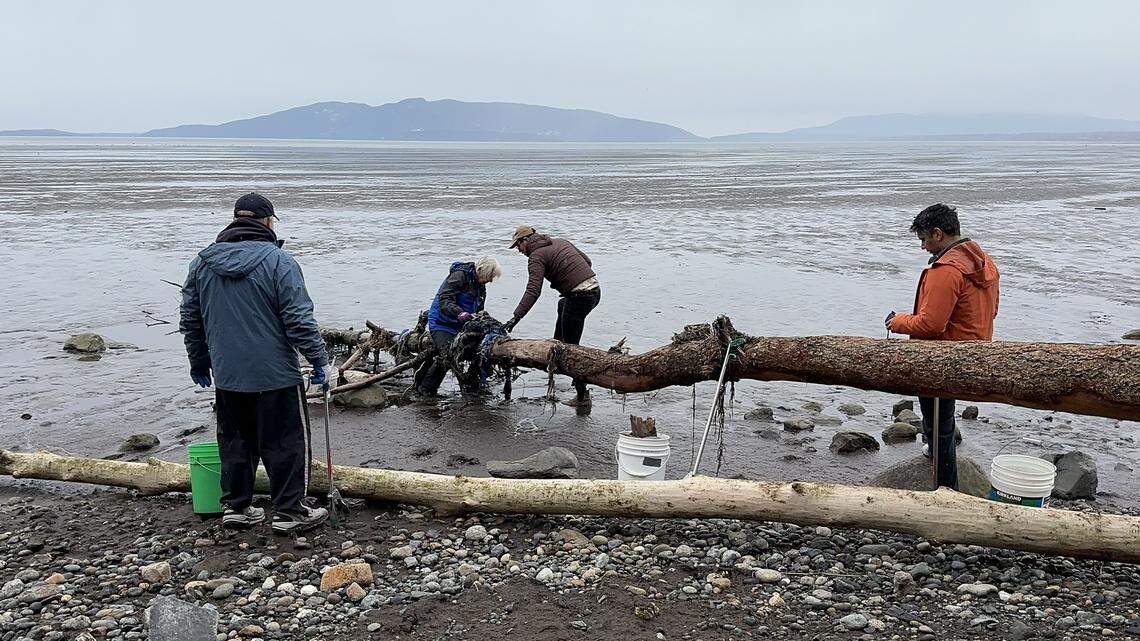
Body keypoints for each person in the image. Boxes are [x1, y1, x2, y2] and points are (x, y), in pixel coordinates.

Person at [179, 193, 332, 533]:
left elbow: (191, 318)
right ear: (267, 221)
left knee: (235, 441)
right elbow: (298, 319)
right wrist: (320, 361)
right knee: (285, 443)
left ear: (235, 219)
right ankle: (290, 511)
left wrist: (199, 360)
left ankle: (236, 506)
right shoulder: (280, 262)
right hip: (276, 374)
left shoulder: (202, 262)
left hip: (229, 376)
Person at [886, 203, 1000, 490]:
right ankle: (938, 457)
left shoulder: (946, 270)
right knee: (943, 418)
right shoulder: (984, 262)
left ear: (938, 234)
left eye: (924, 239)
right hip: (975, 350)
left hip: (943, 357)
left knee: (938, 421)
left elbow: (930, 325)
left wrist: (897, 322)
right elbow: (993, 311)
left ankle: (946, 489)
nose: (923, 247)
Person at [504, 225, 601, 407]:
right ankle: (557, 344)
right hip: (595, 291)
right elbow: (587, 262)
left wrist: (515, 318)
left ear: (526, 241)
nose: (518, 250)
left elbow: (533, 291)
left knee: (572, 350)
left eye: (517, 245)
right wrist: (569, 280)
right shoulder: (560, 242)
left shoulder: (536, 257)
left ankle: (582, 396)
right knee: (562, 304)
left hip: (580, 297)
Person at [414, 257, 503, 397]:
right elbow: (445, 299)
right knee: (448, 354)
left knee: (477, 351)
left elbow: (479, 308)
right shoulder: (459, 276)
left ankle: (473, 386)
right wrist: (459, 313)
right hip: (441, 323)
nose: (491, 280)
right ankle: (426, 390)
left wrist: (480, 317)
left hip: (460, 326)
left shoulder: (480, 285)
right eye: (490, 276)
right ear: (480, 270)